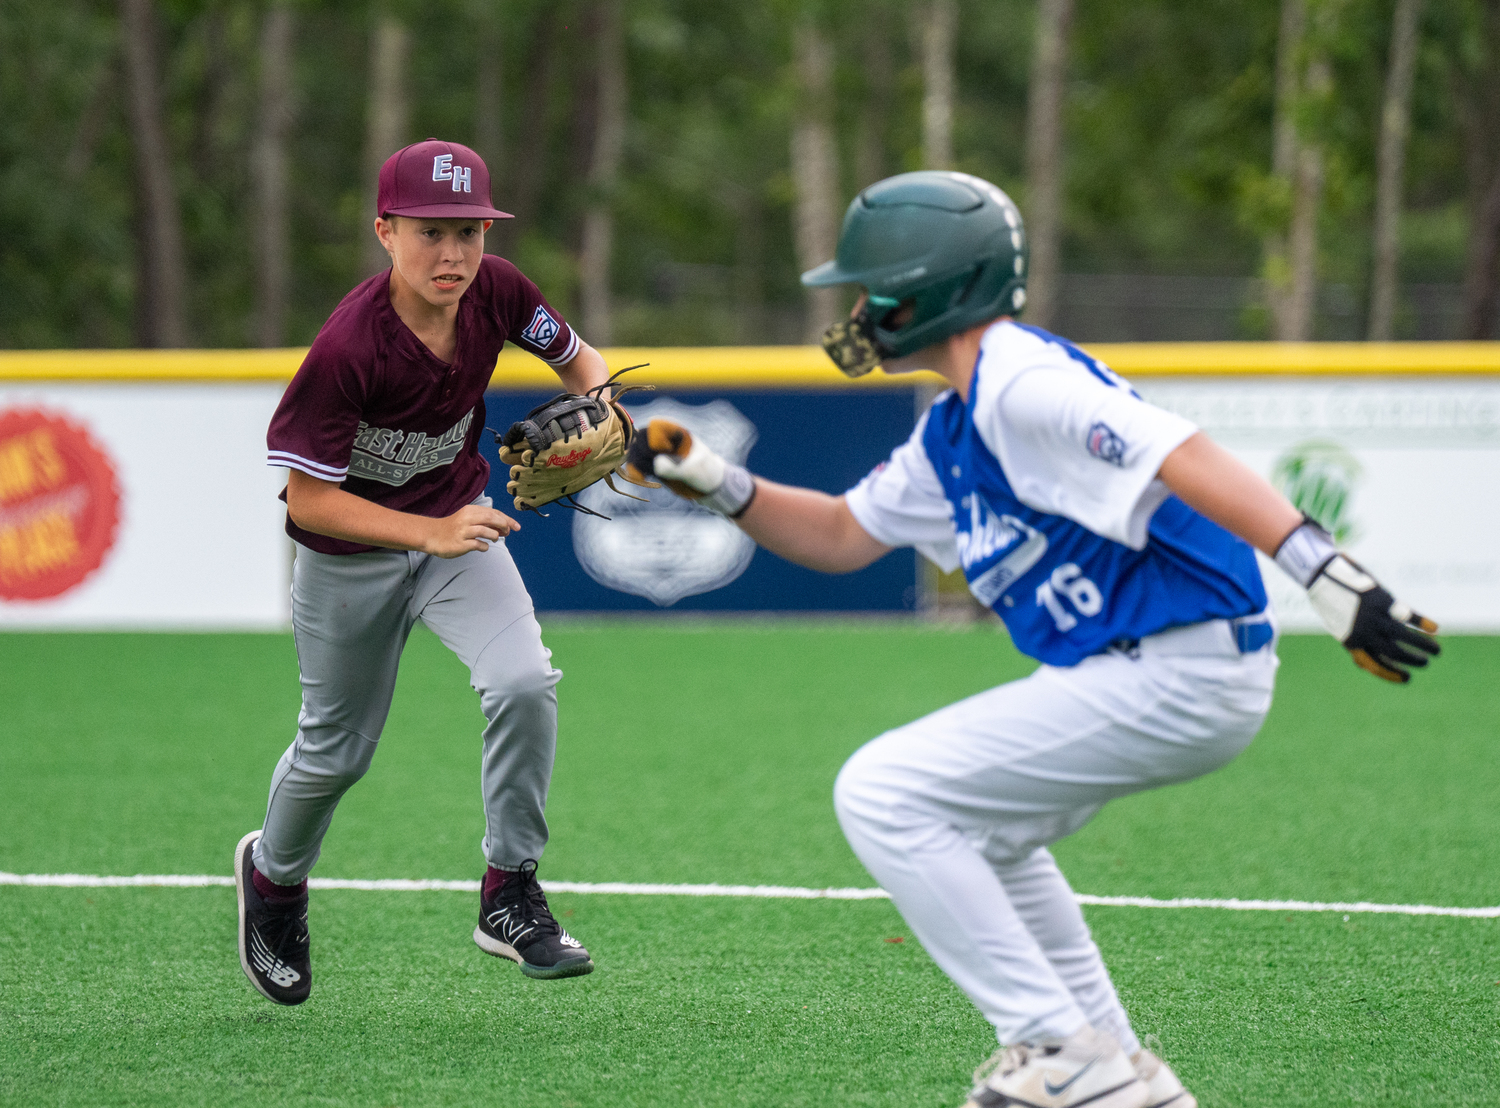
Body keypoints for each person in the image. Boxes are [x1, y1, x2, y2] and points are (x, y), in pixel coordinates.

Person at [626, 171, 1440, 1108]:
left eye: (871, 287)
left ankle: (1058, 1047)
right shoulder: (957, 427)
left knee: (884, 791)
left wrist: (1325, 571)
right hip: (1156, 670)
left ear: (926, 291)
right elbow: (845, 536)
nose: (856, 308)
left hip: (1184, 666)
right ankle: (1119, 1068)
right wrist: (715, 478)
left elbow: (1181, 451)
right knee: (986, 830)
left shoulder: (1021, 378)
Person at [236, 139, 605, 1006]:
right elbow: (308, 504)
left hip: (458, 533)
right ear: (385, 231)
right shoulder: (347, 348)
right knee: (336, 753)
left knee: (524, 681)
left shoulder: (500, 291)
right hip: (348, 562)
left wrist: (602, 403)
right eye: (430, 232)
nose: (453, 254)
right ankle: (274, 881)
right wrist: (426, 532)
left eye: (469, 230)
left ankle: (508, 892)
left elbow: (580, 359)